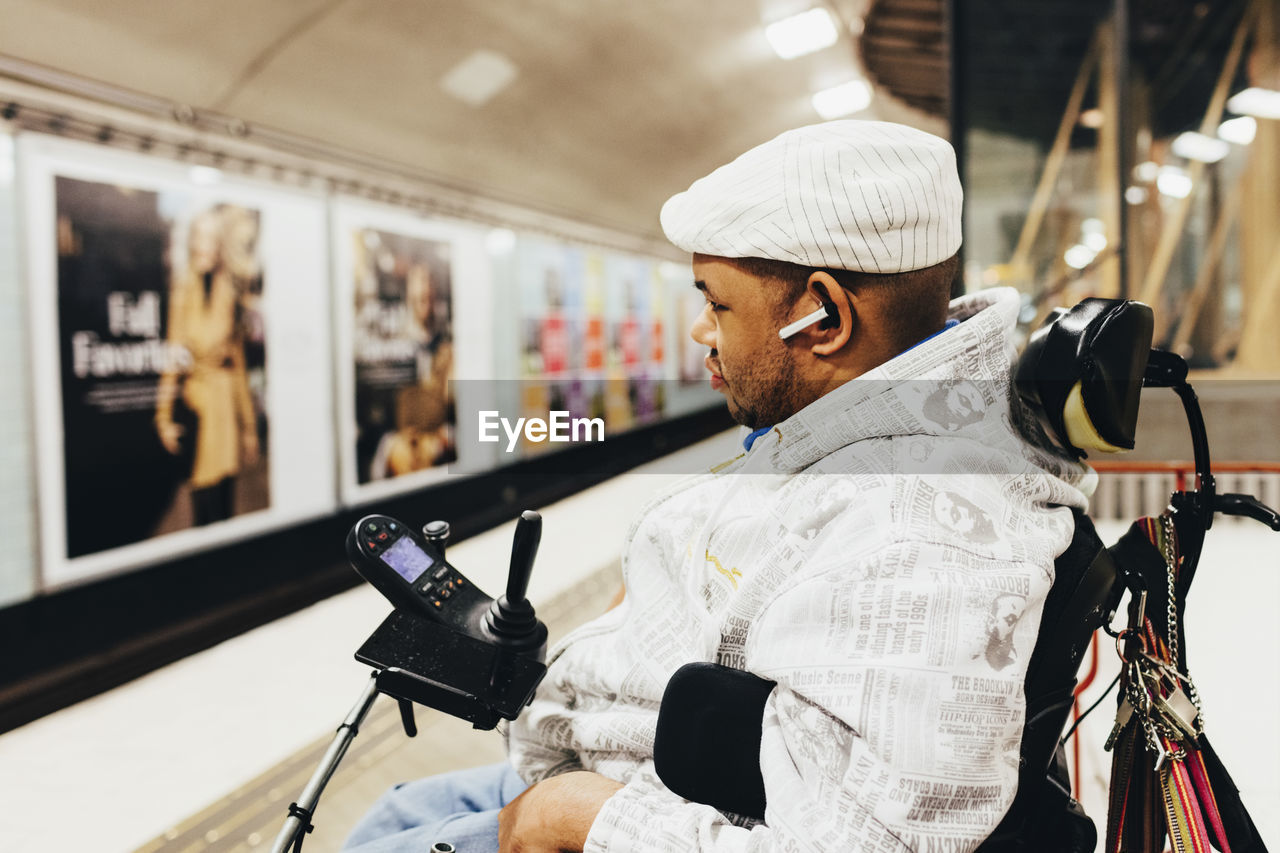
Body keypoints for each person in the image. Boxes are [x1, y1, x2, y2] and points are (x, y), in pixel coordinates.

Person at [343, 120, 1093, 852]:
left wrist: (572, 817)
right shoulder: (882, 432)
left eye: (716, 302)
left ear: (823, 315)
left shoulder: (919, 535)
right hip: (626, 765)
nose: (702, 331)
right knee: (396, 807)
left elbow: (864, 838)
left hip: (630, 800)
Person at [155, 206, 261, 526]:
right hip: (197, 406)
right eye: (199, 238)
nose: (203, 246)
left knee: (225, 504)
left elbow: (238, 367)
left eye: (211, 240)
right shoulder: (181, 293)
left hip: (225, 408)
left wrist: (249, 429)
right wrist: (163, 417)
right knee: (201, 502)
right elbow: (172, 359)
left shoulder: (229, 294)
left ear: (220, 247)